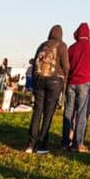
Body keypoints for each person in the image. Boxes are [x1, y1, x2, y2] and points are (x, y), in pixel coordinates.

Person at [25, 25, 70, 154]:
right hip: (55, 81)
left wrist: (34, 83)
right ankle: (42, 145)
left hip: (39, 81)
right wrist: (65, 81)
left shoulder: (42, 45)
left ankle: (30, 144)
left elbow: (34, 65)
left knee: (37, 111)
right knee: (48, 113)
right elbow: (66, 66)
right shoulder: (62, 46)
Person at [61, 23, 90, 152]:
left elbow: (67, 65)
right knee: (82, 113)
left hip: (71, 83)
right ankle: (78, 143)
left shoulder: (71, 48)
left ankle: (65, 142)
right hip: (84, 83)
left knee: (69, 111)